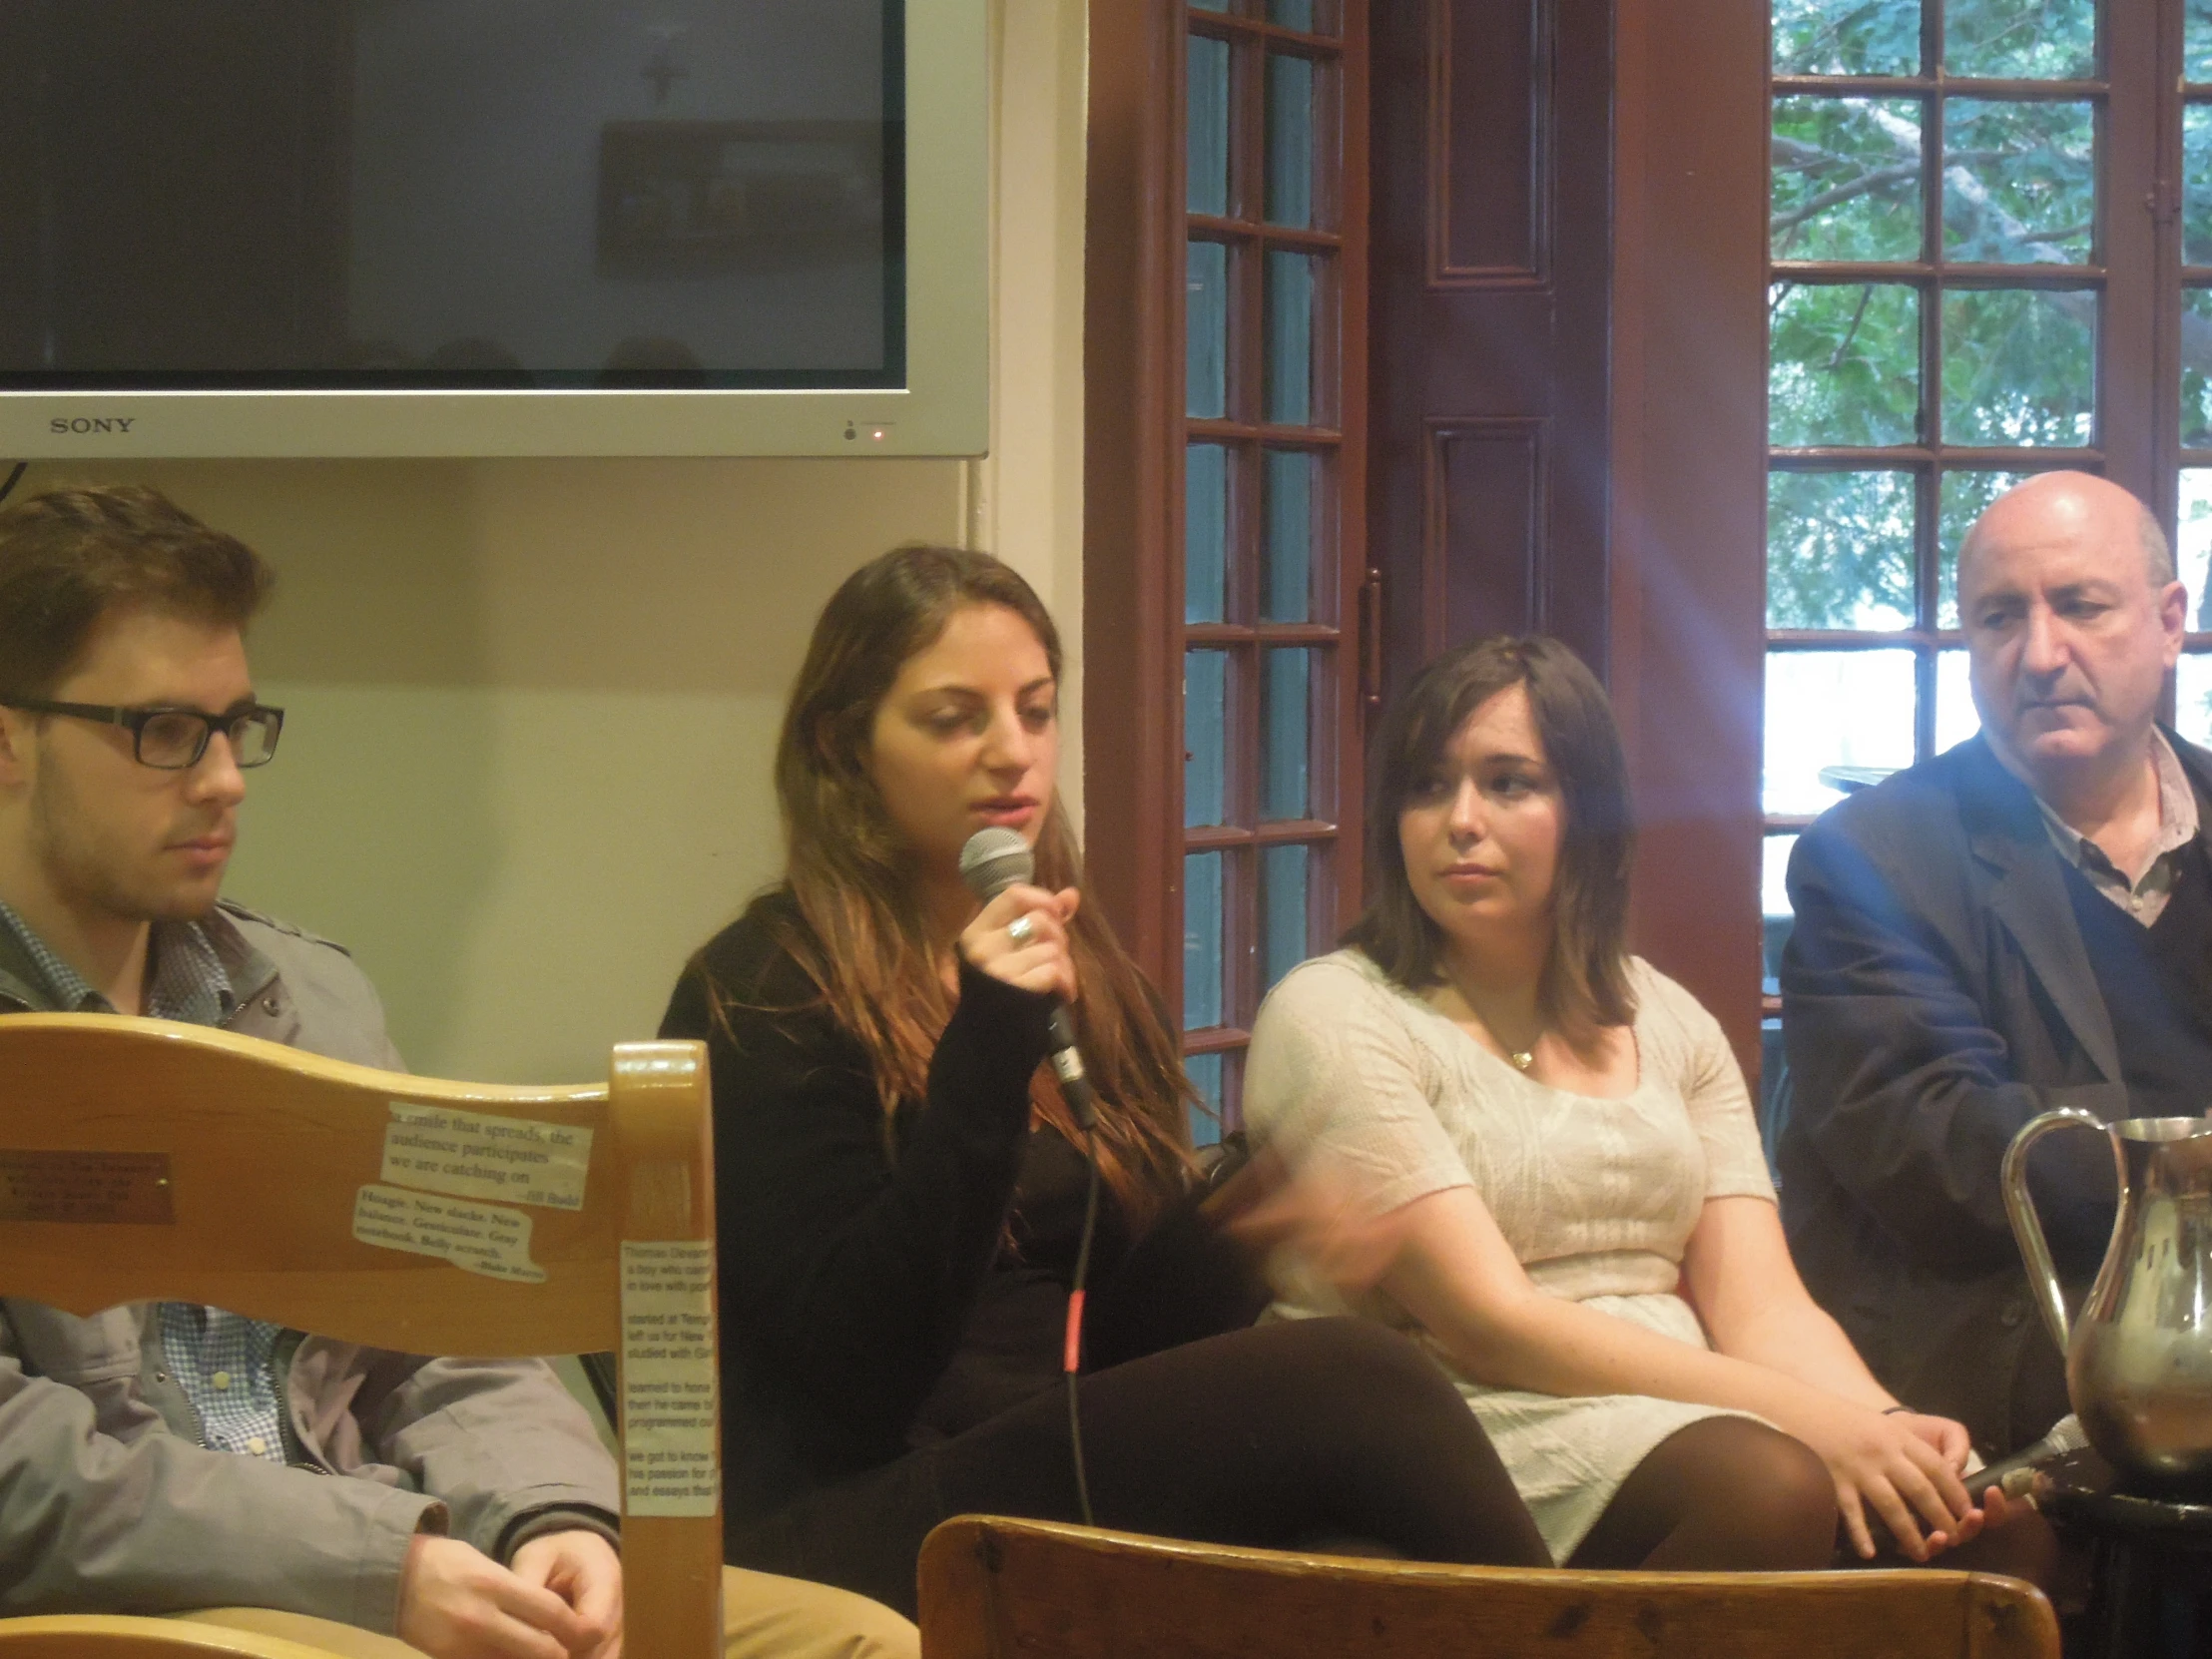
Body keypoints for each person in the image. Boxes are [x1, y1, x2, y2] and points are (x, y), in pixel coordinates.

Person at [0, 483, 915, 1659]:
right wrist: (377, 1568)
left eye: (238, 726)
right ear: (9, 739)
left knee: (853, 1642)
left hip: (402, 1547)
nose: (225, 779)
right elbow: (26, 1478)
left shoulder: (305, 996)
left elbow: (450, 1332)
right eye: (165, 731)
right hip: (141, 1608)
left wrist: (551, 1516)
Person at [659, 544, 1552, 1619]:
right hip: (848, 1508)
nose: (1012, 754)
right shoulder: (761, 992)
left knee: (1352, 1550)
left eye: (1035, 712)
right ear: (842, 745)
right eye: (954, 719)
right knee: (1360, 1382)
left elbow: (1113, 1336)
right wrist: (985, 1051)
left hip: (1040, 1453)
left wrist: (1240, 1232)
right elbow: (853, 1375)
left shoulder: (1080, 971)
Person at [1240, 635, 2050, 1577]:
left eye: (1509, 783)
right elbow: (1492, 1321)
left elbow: (1762, 1310)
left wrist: (1887, 1428)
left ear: (1586, 813)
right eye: (1427, 786)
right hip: (1442, 1417)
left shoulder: (1666, 1018)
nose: (1460, 820)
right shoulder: (1334, 1010)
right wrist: (1806, 1424)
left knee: (1993, 1523)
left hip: (1683, 1409)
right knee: (1771, 1486)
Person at [1778, 470, 2208, 1459]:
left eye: (2080, 607)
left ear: (2168, 619)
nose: (2039, 654)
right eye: (1998, 618)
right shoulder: (1870, 858)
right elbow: (1946, 1154)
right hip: (2016, 1347)